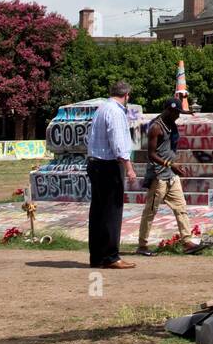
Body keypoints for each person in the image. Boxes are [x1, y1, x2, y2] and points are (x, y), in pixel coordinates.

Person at [136, 98, 201, 256]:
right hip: (159, 176)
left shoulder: (172, 120)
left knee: (181, 208)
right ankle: (142, 245)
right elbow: (151, 154)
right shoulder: (156, 127)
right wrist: (170, 164)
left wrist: (187, 111)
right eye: (174, 112)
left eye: (178, 112)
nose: (177, 115)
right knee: (150, 211)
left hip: (172, 176)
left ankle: (187, 241)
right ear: (166, 110)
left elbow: (179, 110)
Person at [86, 80, 137, 269]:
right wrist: (129, 166)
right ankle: (111, 256)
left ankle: (97, 256)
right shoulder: (116, 112)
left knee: (98, 211)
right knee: (111, 211)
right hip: (108, 165)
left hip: (95, 163)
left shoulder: (101, 109)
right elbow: (118, 142)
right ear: (126, 96)